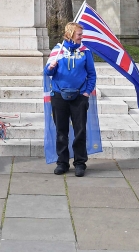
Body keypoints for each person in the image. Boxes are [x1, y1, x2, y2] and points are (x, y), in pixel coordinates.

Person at [44, 22, 96, 177]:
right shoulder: (57, 50)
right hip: (59, 96)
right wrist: (50, 67)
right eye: (79, 34)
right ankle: (62, 162)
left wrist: (87, 92)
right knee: (61, 131)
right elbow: (47, 72)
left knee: (80, 131)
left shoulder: (85, 52)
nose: (82, 36)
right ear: (71, 34)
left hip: (79, 96)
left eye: (82, 34)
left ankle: (80, 163)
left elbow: (92, 74)